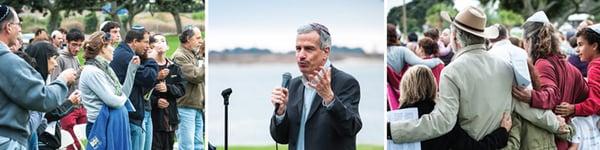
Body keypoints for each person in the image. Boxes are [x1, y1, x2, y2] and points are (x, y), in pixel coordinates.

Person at [389, 6, 569, 145]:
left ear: (455, 37)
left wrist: (393, 130)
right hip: (498, 144)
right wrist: (558, 125)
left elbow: (443, 122)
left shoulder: (452, 71)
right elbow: (526, 108)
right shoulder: (505, 67)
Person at [269, 23, 362, 150]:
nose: (301, 55)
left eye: (308, 49)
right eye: (298, 48)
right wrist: (280, 112)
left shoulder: (346, 83)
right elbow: (281, 138)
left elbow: (351, 128)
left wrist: (329, 98)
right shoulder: (293, 85)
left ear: (326, 52)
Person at [0, 5, 76, 149]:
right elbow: (42, 99)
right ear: (8, 27)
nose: (20, 30)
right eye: (18, 24)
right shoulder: (7, 61)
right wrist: (63, 80)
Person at [511, 13, 588, 150]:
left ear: (529, 41)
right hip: (564, 141)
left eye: (524, 41)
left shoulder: (543, 64)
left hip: (550, 142)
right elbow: (586, 95)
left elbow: (552, 94)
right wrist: (571, 110)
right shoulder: (569, 67)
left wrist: (531, 96)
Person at [394, 65, 512, 150]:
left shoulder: (394, 120)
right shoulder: (443, 118)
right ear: (433, 86)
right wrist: (501, 133)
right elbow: (476, 148)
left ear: (405, 86)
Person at [79, 31, 139, 150]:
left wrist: (132, 70)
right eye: (110, 45)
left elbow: (122, 94)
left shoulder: (105, 69)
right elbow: (114, 101)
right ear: (102, 48)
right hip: (100, 126)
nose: (113, 49)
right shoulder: (92, 71)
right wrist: (122, 98)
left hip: (111, 124)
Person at [109, 25, 157, 150]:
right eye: (146, 42)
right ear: (135, 41)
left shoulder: (123, 53)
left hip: (131, 114)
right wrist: (151, 60)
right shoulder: (126, 57)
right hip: (131, 117)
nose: (148, 46)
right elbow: (149, 77)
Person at [386, 23, 443, 110]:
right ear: (395, 36)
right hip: (397, 92)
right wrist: (437, 60)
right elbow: (421, 63)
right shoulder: (402, 51)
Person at [149, 34, 185, 150]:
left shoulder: (174, 67)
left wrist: (168, 88)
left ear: (167, 47)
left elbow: (182, 89)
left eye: (163, 41)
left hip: (170, 120)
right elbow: (140, 91)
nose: (160, 43)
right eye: (157, 41)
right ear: (151, 46)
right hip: (154, 120)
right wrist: (155, 101)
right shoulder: (148, 67)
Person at [556, 24, 600, 118]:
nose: (577, 50)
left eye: (580, 45)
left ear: (594, 46)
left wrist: (573, 108)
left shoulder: (595, 66)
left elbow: (595, 102)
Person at [172, 25, 205, 150]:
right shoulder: (180, 56)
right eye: (197, 38)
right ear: (187, 39)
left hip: (196, 106)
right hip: (184, 107)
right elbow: (196, 76)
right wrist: (204, 60)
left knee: (198, 145)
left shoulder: (192, 54)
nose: (200, 41)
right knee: (187, 146)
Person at [52, 29, 85, 150]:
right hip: (67, 108)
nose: (77, 49)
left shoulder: (76, 58)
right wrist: (78, 74)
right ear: (67, 42)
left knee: (84, 142)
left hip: (81, 106)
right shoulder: (60, 59)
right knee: (72, 145)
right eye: (74, 44)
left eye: (80, 45)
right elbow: (56, 83)